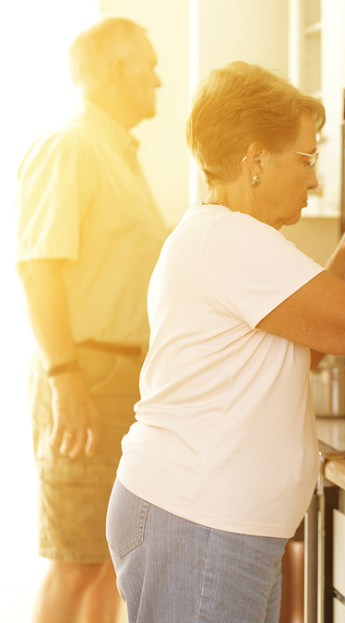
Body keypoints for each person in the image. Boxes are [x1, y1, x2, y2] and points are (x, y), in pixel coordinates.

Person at [104, 60, 345, 622]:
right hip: (199, 525)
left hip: (211, 525)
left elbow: (304, 343)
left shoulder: (222, 237)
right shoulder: (234, 241)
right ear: (257, 159)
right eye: (307, 158)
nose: (314, 178)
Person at [14, 16, 167, 623]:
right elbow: (38, 269)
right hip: (84, 377)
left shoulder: (117, 153)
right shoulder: (72, 145)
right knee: (76, 559)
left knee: (110, 558)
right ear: (116, 70)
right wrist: (65, 378)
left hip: (118, 383)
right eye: (149, 64)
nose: (159, 76)